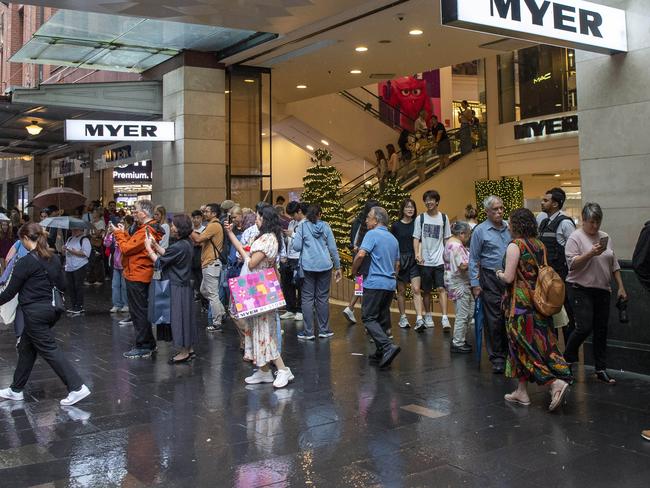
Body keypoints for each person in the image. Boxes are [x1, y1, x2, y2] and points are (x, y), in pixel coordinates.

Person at [0, 223, 91, 406]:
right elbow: (63, 285)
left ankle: (77, 387)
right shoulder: (54, 258)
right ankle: (16, 389)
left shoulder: (25, 262)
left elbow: (10, 292)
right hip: (50, 310)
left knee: (50, 350)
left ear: (26, 239)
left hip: (34, 313)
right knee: (27, 348)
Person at [495, 208, 572, 411]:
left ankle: (554, 383)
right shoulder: (539, 245)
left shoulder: (515, 246)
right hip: (539, 303)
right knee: (537, 345)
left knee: (524, 347)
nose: (508, 225)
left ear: (517, 225)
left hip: (519, 307)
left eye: (510, 222)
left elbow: (509, 278)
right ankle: (521, 392)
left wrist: (499, 273)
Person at [224, 206, 294, 388]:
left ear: (265, 220)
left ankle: (283, 369)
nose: (256, 220)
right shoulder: (266, 238)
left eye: (259, 218)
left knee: (263, 330)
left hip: (259, 288)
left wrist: (246, 255)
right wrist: (230, 234)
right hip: (258, 287)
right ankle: (263, 370)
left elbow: (253, 263)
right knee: (256, 328)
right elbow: (245, 252)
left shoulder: (268, 239)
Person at [563, 202, 627, 385]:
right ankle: (566, 360)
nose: (595, 226)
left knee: (601, 329)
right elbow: (572, 264)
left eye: (598, 222)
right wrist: (590, 253)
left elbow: (613, 263)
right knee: (584, 327)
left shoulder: (605, 237)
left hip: (602, 289)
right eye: (591, 222)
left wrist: (620, 286)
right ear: (584, 220)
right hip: (580, 288)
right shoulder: (575, 238)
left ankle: (600, 368)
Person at [112, 200, 163, 359]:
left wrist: (118, 233)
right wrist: (124, 233)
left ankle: (143, 345)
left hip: (137, 274)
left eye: (136, 210)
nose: (133, 213)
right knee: (140, 310)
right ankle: (149, 342)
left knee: (138, 312)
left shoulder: (146, 230)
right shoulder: (146, 229)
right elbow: (132, 244)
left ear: (144, 213)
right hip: (138, 272)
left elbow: (126, 248)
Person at [145, 214, 197, 364]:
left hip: (176, 286)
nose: (172, 227)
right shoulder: (186, 243)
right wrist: (156, 246)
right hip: (184, 285)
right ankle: (189, 349)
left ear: (180, 228)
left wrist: (149, 248)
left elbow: (160, 262)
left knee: (178, 319)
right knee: (186, 318)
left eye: (174, 225)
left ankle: (183, 352)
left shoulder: (179, 245)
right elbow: (169, 255)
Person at [353, 207, 401, 368]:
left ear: (377, 220)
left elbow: (360, 255)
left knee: (368, 317)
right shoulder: (393, 239)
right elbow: (397, 264)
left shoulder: (372, 234)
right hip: (389, 284)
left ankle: (387, 346)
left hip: (374, 283)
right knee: (380, 318)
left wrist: (355, 271)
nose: (366, 220)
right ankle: (381, 351)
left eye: (368, 217)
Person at [469, 195, 511, 373]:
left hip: (509, 277)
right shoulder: (480, 230)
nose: (500, 211)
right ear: (487, 212)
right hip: (490, 278)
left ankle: (511, 355)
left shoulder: (509, 227)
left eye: (501, 208)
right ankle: (497, 358)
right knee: (494, 319)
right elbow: (473, 259)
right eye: (495, 209)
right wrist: (475, 283)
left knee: (509, 317)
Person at [292, 204, 342, 340]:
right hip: (325, 265)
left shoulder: (302, 226)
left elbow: (296, 247)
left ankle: (308, 332)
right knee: (322, 298)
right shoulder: (326, 226)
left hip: (308, 266)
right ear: (320, 214)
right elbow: (333, 248)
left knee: (307, 298)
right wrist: (338, 267)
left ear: (307, 215)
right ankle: (324, 330)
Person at [538, 188, 577, 341]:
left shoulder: (565, 223)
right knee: (549, 317)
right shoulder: (544, 223)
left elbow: (574, 251)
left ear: (555, 204)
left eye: (545, 200)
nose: (542, 202)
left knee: (567, 318)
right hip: (547, 278)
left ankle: (569, 356)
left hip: (562, 278)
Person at [413, 190, 451, 331]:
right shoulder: (420, 218)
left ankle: (445, 318)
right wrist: (417, 253)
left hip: (440, 260)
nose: (428, 202)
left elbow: (446, 238)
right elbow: (416, 238)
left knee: (442, 288)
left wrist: (448, 255)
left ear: (437, 201)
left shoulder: (444, 218)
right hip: (425, 261)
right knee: (426, 290)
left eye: (431, 199)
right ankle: (428, 315)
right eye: (426, 200)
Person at [191, 203, 226, 332]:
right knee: (204, 291)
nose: (204, 214)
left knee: (212, 294)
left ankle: (217, 323)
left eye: (207, 212)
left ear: (214, 214)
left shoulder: (213, 225)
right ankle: (221, 312)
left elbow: (199, 239)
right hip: (209, 263)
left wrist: (189, 230)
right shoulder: (213, 225)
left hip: (211, 263)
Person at [343, 200, 379, 324]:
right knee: (366, 288)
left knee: (360, 284)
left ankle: (351, 307)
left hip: (358, 258)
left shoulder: (358, 222)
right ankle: (364, 314)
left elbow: (353, 241)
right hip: (366, 259)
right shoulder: (371, 225)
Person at [390, 198, 423, 329]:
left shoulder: (417, 223)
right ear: (402, 209)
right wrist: (395, 262)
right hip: (400, 259)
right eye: (407, 207)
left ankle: (419, 318)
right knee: (401, 291)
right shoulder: (396, 225)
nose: (410, 209)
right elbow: (392, 244)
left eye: (412, 207)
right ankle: (403, 318)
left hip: (414, 259)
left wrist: (419, 254)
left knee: (416, 289)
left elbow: (420, 240)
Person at [443, 222, 473, 353]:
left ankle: (459, 338)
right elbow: (463, 265)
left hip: (454, 282)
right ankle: (458, 342)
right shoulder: (456, 245)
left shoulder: (450, 242)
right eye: (468, 235)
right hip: (459, 283)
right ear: (461, 234)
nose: (469, 238)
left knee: (467, 312)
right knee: (463, 314)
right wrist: (476, 261)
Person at [279, 201, 306, 322]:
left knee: (300, 285)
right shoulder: (291, 222)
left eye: (293, 214)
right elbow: (288, 241)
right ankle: (290, 308)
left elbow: (305, 240)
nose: (292, 217)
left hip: (300, 257)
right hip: (289, 257)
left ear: (299, 211)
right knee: (287, 284)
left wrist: (293, 234)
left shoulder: (306, 223)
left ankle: (300, 310)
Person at [63, 228, 91, 315]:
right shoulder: (70, 239)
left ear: (81, 230)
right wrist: (64, 249)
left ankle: (79, 306)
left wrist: (72, 251)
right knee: (71, 287)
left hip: (80, 266)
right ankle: (74, 305)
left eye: (76, 230)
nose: (73, 231)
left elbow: (86, 253)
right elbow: (64, 252)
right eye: (73, 230)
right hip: (69, 266)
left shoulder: (84, 239)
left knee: (78, 286)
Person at [104, 225, 128, 314]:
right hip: (116, 265)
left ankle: (126, 304)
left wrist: (121, 244)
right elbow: (106, 244)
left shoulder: (126, 235)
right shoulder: (114, 236)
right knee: (115, 285)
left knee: (124, 286)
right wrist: (108, 233)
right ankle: (117, 304)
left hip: (124, 264)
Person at [86, 208, 106, 285]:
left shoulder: (101, 222)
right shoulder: (91, 222)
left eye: (94, 212)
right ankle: (91, 279)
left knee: (97, 261)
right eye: (92, 213)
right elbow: (89, 232)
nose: (93, 214)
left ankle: (99, 279)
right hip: (91, 241)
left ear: (98, 214)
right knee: (91, 260)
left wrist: (93, 225)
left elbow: (98, 233)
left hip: (97, 242)